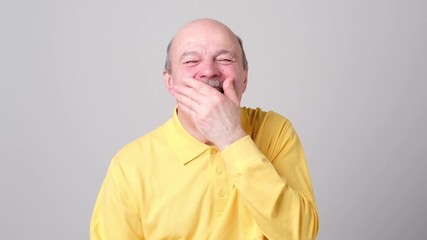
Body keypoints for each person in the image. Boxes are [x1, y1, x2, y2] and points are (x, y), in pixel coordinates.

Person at [90, 18, 319, 240]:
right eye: (191, 61)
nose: (209, 71)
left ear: (245, 79)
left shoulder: (276, 132)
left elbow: (299, 235)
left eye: (225, 59)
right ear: (170, 82)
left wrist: (231, 138)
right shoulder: (130, 165)